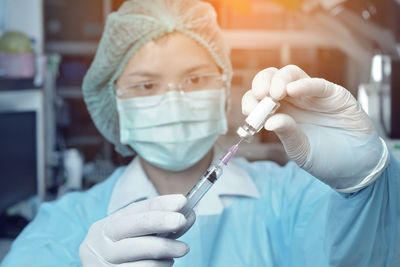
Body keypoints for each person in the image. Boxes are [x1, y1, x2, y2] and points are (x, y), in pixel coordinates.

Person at [2, 0, 399, 266]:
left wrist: (366, 186)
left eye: (194, 78)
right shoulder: (62, 229)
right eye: (145, 85)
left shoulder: (295, 200)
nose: (174, 100)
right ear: (113, 102)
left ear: (224, 87)